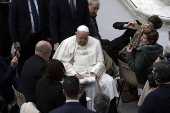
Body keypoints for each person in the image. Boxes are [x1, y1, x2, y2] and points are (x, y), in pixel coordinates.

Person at [53, 25, 118, 112]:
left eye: (85, 38)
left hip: (94, 74)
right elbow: (64, 62)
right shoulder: (68, 42)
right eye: (80, 38)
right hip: (76, 74)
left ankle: (108, 109)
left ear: (89, 35)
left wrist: (95, 73)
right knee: (83, 86)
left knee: (110, 81)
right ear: (76, 34)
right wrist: (74, 74)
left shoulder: (95, 42)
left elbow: (100, 62)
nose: (83, 41)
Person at [9, 0, 50, 71]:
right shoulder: (16, 1)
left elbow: (46, 17)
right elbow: (12, 22)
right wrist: (15, 41)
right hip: (24, 39)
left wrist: (48, 35)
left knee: (40, 62)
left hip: (39, 36)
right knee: (24, 64)